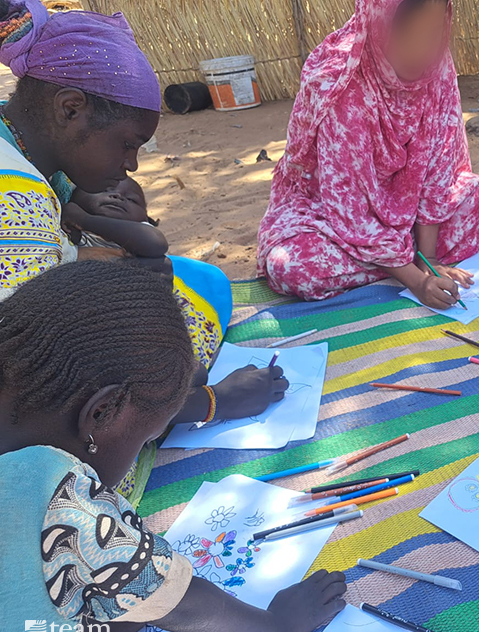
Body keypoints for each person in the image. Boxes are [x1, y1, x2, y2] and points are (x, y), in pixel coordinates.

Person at [0, 0, 286, 503]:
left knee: (207, 282)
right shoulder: (16, 203)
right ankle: (162, 412)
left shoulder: (24, 143)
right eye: (128, 144)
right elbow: (44, 392)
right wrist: (210, 401)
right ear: (69, 109)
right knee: (104, 475)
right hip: (28, 430)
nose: (131, 164)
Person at [0, 261, 346, 632]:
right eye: (147, 437)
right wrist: (278, 626)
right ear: (100, 413)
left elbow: (28, 620)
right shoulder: (57, 497)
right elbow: (177, 600)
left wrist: (89, 622)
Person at [258, 0, 479, 306]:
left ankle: (393, 260)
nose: (421, 51)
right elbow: (349, 208)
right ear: (378, 25)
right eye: (407, 36)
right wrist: (419, 282)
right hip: (332, 217)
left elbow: (439, 167)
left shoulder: (437, 66)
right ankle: (393, 263)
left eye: (432, 35)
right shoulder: (341, 81)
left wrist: (428, 260)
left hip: (412, 218)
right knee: (291, 266)